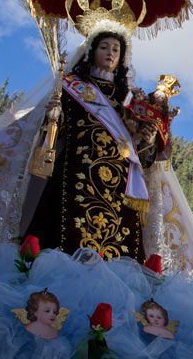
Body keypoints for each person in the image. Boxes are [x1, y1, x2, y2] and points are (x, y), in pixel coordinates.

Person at [23, 29, 163, 262]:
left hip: (119, 180)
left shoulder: (129, 97)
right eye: (104, 47)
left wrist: (147, 139)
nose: (110, 53)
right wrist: (54, 115)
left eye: (116, 50)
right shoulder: (71, 87)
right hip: (78, 171)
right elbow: (58, 130)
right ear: (91, 52)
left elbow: (138, 146)